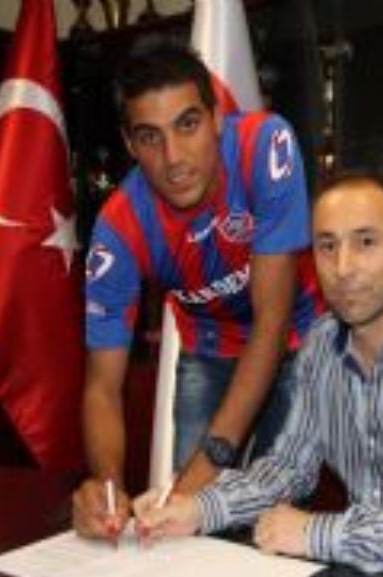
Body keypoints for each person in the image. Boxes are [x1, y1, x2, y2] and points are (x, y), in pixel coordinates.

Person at [134, 170, 383, 574]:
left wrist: (314, 534)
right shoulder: (320, 344)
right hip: (367, 572)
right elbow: (288, 469)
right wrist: (198, 508)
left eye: (366, 242)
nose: (343, 267)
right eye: (327, 246)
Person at [72, 39, 323, 540]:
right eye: (150, 137)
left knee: (268, 520)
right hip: (209, 345)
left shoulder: (262, 146)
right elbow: (102, 387)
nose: (173, 159)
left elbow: (271, 325)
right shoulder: (118, 228)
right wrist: (108, 490)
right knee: (187, 534)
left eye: (187, 125)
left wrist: (194, 487)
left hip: (297, 336)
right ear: (129, 145)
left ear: (217, 118)